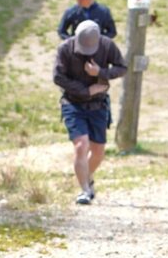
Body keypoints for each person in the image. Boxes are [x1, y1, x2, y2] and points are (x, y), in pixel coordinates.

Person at [53, 20, 127, 205]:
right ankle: (85, 190)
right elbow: (58, 77)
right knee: (81, 145)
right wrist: (86, 90)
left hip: (98, 105)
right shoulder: (65, 49)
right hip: (73, 103)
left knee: (98, 152)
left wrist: (100, 72)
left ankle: (87, 176)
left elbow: (122, 68)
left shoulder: (107, 45)